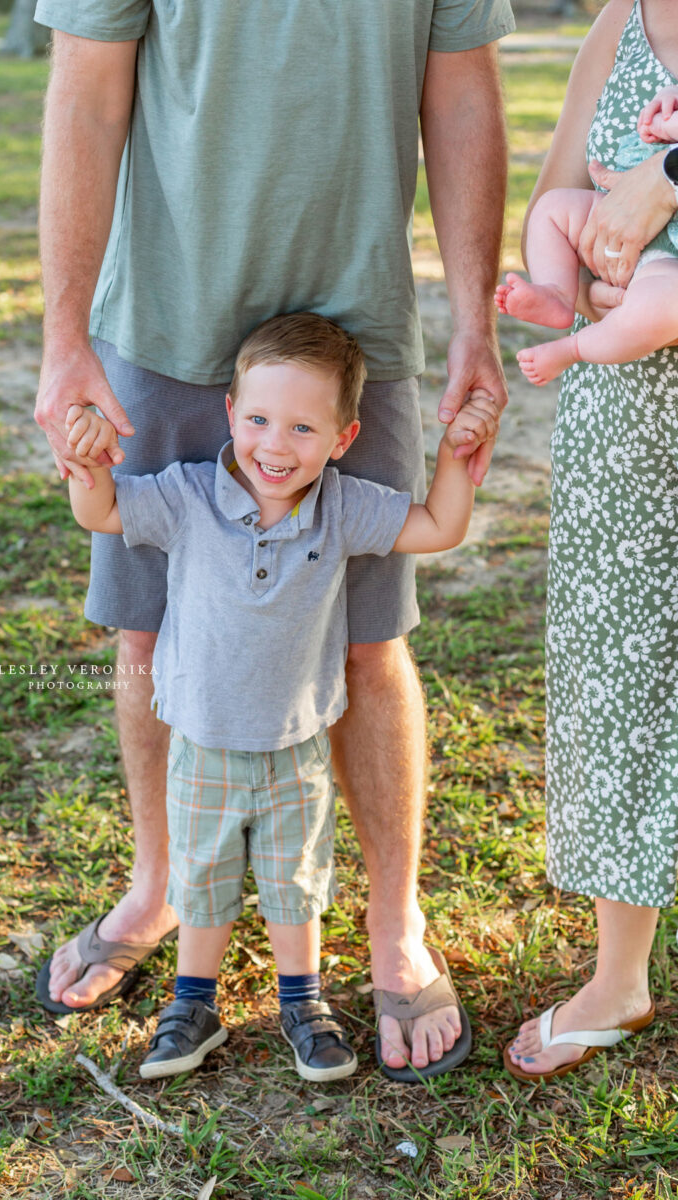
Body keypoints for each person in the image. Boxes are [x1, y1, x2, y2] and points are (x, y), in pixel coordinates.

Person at [31, 0, 515, 1080]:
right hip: (163, 320)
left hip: (358, 330)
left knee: (366, 643)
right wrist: (65, 339)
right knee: (152, 634)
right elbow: (87, 92)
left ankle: (393, 926)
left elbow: (461, 92)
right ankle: (157, 887)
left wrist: (474, 319)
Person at [63, 313, 500, 1081]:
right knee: (199, 878)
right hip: (201, 738)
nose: (275, 444)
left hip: (297, 743)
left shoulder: (341, 505)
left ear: (342, 437)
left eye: (303, 427)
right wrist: (87, 460)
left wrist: (463, 454)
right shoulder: (189, 494)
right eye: (259, 418)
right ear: (229, 413)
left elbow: (437, 525)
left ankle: (303, 1001)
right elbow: (100, 513)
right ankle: (192, 1004)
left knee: (296, 880)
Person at [503, 0, 678, 1084]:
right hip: (626, 413)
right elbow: (557, 194)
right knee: (620, 669)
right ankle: (618, 975)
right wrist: (577, 264)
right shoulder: (614, 27)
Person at [495, 82, 678, 384]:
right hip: (617, 206)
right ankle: (556, 291)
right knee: (553, 209)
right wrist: (664, 106)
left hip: (667, 262)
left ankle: (574, 348)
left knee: (663, 305)